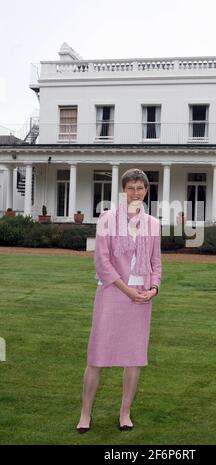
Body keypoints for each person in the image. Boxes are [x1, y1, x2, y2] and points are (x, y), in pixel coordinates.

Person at [76, 168, 161, 433]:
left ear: (147, 190)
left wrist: (154, 289)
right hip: (113, 293)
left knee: (134, 358)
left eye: (140, 188)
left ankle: (125, 413)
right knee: (96, 357)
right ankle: (85, 414)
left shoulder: (153, 224)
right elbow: (102, 263)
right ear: (123, 190)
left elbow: (156, 263)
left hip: (142, 299)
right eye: (131, 187)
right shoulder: (107, 219)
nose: (136, 192)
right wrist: (128, 291)